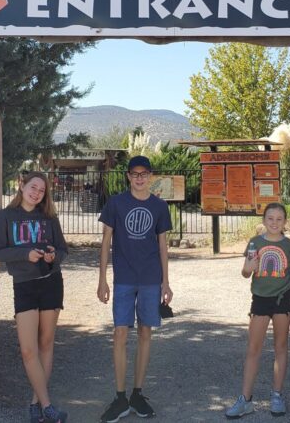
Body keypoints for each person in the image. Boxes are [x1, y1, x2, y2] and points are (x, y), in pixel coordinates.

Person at [97, 155, 173, 422]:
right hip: (124, 278)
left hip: (151, 278)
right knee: (120, 332)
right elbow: (106, 242)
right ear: (128, 176)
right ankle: (120, 397)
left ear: (150, 176)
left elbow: (162, 245)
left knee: (145, 332)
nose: (139, 178)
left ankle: (137, 394)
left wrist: (166, 282)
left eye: (144, 173)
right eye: (135, 173)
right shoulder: (116, 203)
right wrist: (102, 279)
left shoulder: (159, 206)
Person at [0, 171, 69, 423]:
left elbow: (63, 250)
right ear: (22, 186)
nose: (36, 193)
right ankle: (47, 406)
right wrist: (25, 255)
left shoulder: (49, 218)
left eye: (42, 190)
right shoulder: (6, 217)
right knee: (27, 350)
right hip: (24, 286)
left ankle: (38, 403)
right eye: (33, 187)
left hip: (51, 283)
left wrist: (53, 256)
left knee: (45, 343)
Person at [226, 203, 290, 419]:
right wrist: (247, 268)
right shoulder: (255, 243)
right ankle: (245, 399)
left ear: (285, 222)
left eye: (279, 219)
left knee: (281, 347)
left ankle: (277, 396)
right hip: (260, 300)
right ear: (263, 220)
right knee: (253, 348)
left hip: (283, 300)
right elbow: (245, 272)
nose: (274, 223)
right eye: (270, 218)